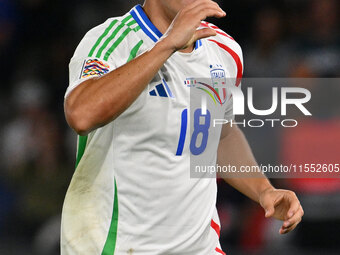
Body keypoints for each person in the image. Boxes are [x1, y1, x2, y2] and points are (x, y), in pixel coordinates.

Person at [62, 0, 304, 254]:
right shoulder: (113, 41)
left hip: (199, 246)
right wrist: (167, 45)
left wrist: (264, 190)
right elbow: (81, 115)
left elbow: (221, 135)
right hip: (116, 245)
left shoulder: (224, 50)